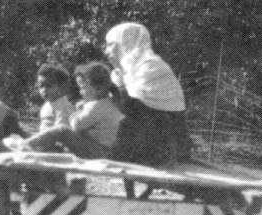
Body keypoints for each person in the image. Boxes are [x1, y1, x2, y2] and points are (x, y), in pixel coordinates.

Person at [104, 22, 192, 166]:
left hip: (161, 146)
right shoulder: (130, 71)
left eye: (110, 45)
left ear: (126, 43)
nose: (106, 51)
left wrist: (120, 87)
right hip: (151, 140)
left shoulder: (151, 68)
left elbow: (135, 111)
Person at [69, 61, 124, 157]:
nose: (80, 92)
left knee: (61, 131)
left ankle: (33, 147)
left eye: (82, 88)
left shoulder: (97, 106)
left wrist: (78, 110)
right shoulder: (109, 102)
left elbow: (76, 125)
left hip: (99, 151)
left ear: (98, 88)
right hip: (104, 149)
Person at [19, 63, 75, 152]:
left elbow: (60, 132)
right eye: (41, 86)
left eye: (49, 86)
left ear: (61, 87)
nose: (44, 90)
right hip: (45, 142)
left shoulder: (62, 106)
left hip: (58, 145)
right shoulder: (47, 105)